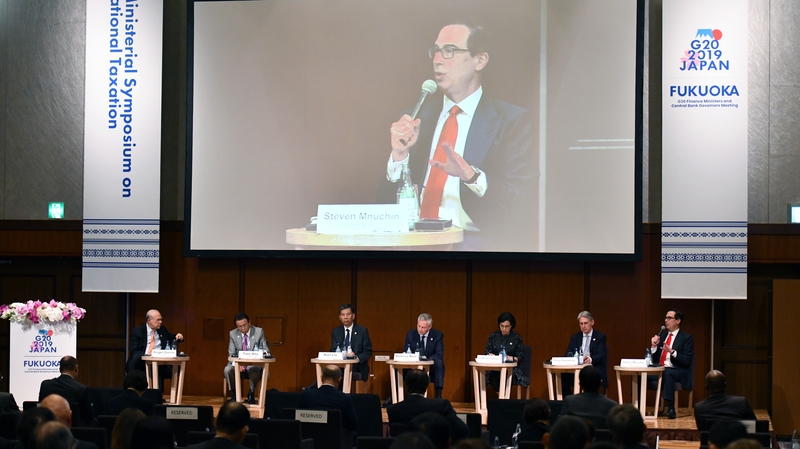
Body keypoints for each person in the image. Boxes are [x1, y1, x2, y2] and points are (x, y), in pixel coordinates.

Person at [378, 22, 537, 252]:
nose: (437, 60)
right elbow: (383, 202)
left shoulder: (511, 120)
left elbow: (522, 197)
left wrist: (471, 177)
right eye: (435, 51)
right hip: (414, 241)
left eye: (449, 51)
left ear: (480, 60)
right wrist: (399, 156)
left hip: (474, 244)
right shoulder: (417, 118)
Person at [387, 370, 469, 443]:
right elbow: (462, 430)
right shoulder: (441, 406)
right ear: (426, 386)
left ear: (406, 385)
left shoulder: (393, 410)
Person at [649, 310, 694, 419]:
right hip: (660, 369)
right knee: (640, 375)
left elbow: (687, 360)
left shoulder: (686, 338)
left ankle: (671, 408)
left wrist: (672, 352)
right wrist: (653, 347)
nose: (666, 320)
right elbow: (653, 360)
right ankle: (638, 406)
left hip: (678, 370)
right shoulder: (662, 337)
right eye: (665, 318)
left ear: (678, 321)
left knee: (668, 372)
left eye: (669, 318)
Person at [126, 309, 184, 391]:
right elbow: (134, 350)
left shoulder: (162, 330)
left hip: (159, 362)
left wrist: (178, 336)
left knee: (167, 369)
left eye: (161, 320)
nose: (160, 322)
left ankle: (158, 396)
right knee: (136, 361)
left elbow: (172, 337)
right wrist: (147, 356)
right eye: (158, 320)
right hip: (142, 362)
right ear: (149, 320)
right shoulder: (137, 332)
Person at [224, 312, 268, 404]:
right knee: (228, 369)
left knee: (254, 369)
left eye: (244, 325)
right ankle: (235, 394)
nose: (242, 328)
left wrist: (261, 352)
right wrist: (237, 364)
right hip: (238, 363)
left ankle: (251, 393)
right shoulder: (233, 334)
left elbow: (266, 350)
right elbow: (231, 353)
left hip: (253, 363)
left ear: (249, 323)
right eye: (239, 326)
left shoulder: (258, 332)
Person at [300, 365, 358, 435]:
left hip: (310, 440)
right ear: (339, 380)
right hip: (336, 442)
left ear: (321, 378)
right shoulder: (344, 398)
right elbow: (353, 424)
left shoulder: (306, 395)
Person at [38, 356, 95, 426]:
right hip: (73, 432)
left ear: (60, 369)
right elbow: (89, 418)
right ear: (76, 368)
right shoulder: (82, 389)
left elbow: (40, 410)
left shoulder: (45, 385)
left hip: (47, 429)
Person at [562, 311, 608, 395]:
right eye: (581, 324)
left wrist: (590, 359)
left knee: (590, 376)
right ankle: (569, 401)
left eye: (586, 323)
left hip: (593, 369)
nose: (583, 326)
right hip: (576, 369)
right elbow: (568, 353)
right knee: (561, 376)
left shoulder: (600, 337)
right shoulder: (575, 337)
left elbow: (601, 355)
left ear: (592, 322)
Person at [329, 304, 372, 387]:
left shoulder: (362, 331)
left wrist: (355, 357)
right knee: (329, 371)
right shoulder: (336, 331)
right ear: (340, 317)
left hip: (356, 365)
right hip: (340, 364)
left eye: (348, 314)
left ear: (353, 316)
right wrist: (343, 355)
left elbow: (368, 351)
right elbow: (333, 350)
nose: (345, 317)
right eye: (343, 315)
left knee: (340, 373)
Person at [404, 313, 445, 398]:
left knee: (439, 363)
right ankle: (392, 396)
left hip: (430, 364)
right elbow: (406, 351)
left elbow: (439, 354)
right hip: (413, 365)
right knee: (398, 367)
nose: (420, 329)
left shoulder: (437, 335)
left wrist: (425, 360)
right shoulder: (411, 334)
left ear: (429, 327)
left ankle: (438, 396)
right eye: (419, 326)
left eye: (423, 327)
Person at [484, 312, 528, 391]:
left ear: (511, 326)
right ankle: (501, 396)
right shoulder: (493, 336)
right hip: (495, 368)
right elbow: (487, 352)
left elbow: (521, 356)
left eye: (507, 326)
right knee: (494, 375)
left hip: (512, 369)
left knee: (509, 375)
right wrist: (490, 355)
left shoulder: (517, 338)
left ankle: (504, 398)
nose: (504, 329)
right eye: (502, 326)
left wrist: (512, 358)